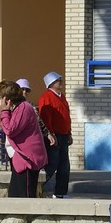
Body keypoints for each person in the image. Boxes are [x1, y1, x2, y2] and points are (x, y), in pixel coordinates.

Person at [0, 79, 47, 198]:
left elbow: (10, 129)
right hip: (21, 158)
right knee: (14, 194)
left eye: (1, 97)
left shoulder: (24, 108)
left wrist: (4, 111)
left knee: (24, 196)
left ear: (7, 98)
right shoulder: (18, 108)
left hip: (27, 159)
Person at [38, 71, 72, 199]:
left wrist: (69, 132)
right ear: (51, 83)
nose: (60, 82)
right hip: (54, 135)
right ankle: (38, 186)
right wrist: (50, 134)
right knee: (52, 164)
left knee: (64, 166)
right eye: (58, 80)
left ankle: (61, 192)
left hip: (64, 134)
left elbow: (66, 116)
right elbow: (46, 118)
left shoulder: (61, 96)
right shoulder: (45, 97)